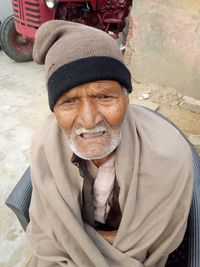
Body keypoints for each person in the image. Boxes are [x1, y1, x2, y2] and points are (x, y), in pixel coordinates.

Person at [26, 20, 193, 267]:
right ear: (55, 110)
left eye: (103, 96)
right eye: (69, 101)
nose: (89, 120)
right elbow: (46, 232)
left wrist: (78, 236)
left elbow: (152, 246)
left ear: (126, 98)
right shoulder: (46, 146)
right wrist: (101, 239)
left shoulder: (167, 156)